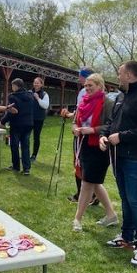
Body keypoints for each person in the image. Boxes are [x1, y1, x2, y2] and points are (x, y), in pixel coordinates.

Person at [99, 60, 137, 266]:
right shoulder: (120, 96)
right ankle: (126, 237)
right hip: (117, 156)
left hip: (135, 157)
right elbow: (111, 122)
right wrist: (104, 135)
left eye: (119, 73)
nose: (117, 76)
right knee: (125, 198)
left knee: (136, 200)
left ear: (129, 75)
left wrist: (122, 137)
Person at [71, 73, 119, 231]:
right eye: (85, 86)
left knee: (87, 182)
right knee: (95, 182)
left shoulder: (108, 103)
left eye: (90, 85)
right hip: (84, 145)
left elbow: (112, 125)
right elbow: (75, 121)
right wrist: (75, 129)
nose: (87, 88)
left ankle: (77, 219)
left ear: (100, 86)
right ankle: (111, 215)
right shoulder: (83, 102)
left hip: (99, 146)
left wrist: (92, 130)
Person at [60, 67, 98, 205]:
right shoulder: (90, 92)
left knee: (79, 163)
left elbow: (80, 113)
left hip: (83, 134)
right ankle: (90, 195)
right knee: (85, 165)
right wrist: (71, 115)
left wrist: (71, 117)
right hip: (85, 132)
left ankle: (83, 195)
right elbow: (79, 111)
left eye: (81, 76)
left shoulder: (83, 91)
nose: (80, 79)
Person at [1, 78, 34, 175]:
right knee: (25, 146)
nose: (12, 87)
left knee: (14, 146)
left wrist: (3, 121)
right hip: (28, 124)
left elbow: (11, 112)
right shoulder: (30, 95)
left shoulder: (13, 97)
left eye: (12, 85)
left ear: (16, 86)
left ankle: (16, 166)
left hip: (17, 124)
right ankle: (26, 168)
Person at [30, 77, 50, 162]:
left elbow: (45, 106)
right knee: (25, 136)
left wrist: (38, 98)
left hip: (39, 119)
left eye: (38, 83)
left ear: (41, 84)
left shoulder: (44, 94)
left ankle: (34, 155)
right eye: (34, 82)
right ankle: (25, 154)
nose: (36, 84)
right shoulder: (30, 92)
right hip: (29, 118)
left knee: (36, 137)